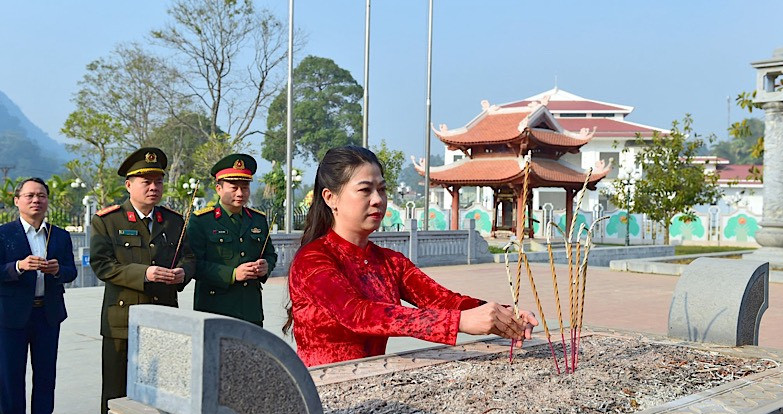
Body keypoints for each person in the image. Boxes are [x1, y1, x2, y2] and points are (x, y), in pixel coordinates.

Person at [286, 146, 537, 367]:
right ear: (331, 198)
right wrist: (458, 322)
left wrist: (503, 315)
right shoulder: (313, 260)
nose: (377, 200)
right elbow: (357, 314)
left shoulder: (389, 262)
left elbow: (443, 300)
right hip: (322, 387)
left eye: (382, 190)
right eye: (365, 190)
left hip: (373, 378)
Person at [89, 147, 195, 414]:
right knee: (116, 391)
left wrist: (182, 274)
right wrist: (144, 273)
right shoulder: (108, 220)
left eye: (158, 181)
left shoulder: (173, 221)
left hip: (164, 319)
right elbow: (102, 265)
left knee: (164, 393)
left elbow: (190, 258)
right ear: (130, 185)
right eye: (146, 181)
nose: (154, 186)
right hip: (123, 318)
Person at [0, 178, 77, 414]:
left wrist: (58, 270)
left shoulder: (60, 235)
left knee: (45, 371)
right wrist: (18, 266)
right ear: (17, 200)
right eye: (30, 195)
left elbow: (71, 271)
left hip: (47, 313)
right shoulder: (4, 234)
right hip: (11, 316)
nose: (36, 200)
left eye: (41, 196)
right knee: (10, 373)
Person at [187, 153, 277, 327]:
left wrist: (266, 266)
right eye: (233, 187)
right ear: (219, 189)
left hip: (251, 310)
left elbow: (270, 253)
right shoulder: (202, 221)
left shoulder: (257, 220)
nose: (240, 193)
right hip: (215, 309)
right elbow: (193, 264)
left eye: (245, 187)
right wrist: (233, 274)